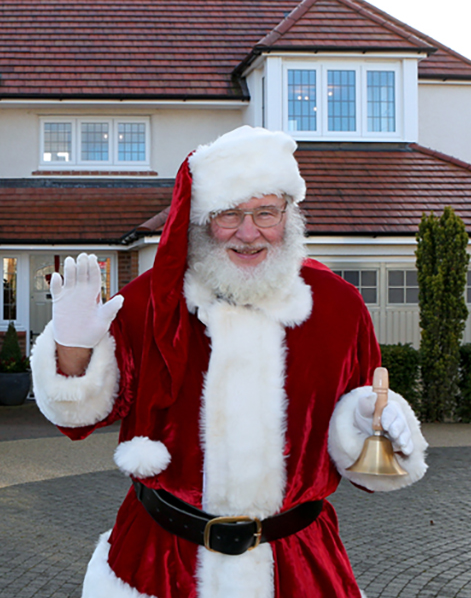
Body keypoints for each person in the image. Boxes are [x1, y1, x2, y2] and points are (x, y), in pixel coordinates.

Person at [32, 126, 428, 597]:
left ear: (289, 214)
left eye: (266, 212)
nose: (248, 232)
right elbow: (79, 419)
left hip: (296, 567)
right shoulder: (148, 302)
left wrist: (369, 422)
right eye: (229, 215)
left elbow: (362, 437)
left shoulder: (339, 308)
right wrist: (73, 349)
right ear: (202, 221)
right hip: (161, 564)